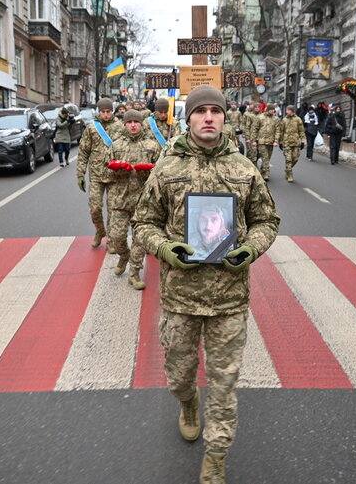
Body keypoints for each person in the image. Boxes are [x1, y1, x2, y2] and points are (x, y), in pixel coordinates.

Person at [132, 84, 279, 484]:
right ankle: (188, 404)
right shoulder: (168, 167)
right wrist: (164, 249)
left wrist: (250, 249)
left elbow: (268, 221)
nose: (209, 117)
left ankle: (216, 456)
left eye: (216, 110)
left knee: (225, 383)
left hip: (229, 300)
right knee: (179, 376)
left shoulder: (244, 168)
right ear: (189, 117)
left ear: (225, 117)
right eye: (201, 111)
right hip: (181, 296)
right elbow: (143, 222)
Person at [106, 109, 162, 289]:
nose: (132, 125)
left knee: (140, 240)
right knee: (116, 237)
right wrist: (116, 169)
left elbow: (162, 172)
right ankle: (124, 256)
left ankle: (134, 273)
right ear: (124, 125)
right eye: (129, 122)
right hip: (120, 200)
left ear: (141, 124)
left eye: (135, 122)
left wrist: (150, 171)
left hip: (143, 201)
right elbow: (105, 171)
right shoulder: (116, 146)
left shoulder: (152, 145)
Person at [77, 97, 125, 249]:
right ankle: (100, 231)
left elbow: (126, 149)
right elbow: (84, 151)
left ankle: (111, 240)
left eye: (108, 111)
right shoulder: (92, 128)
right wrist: (80, 174)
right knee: (95, 208)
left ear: (112, 111)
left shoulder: (120, 127)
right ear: (99, 112)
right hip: (97, 176)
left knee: (113, 211)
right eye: (103, 112)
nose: (106, 115)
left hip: (114, 176)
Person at [251, 103, 280, 180]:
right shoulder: (260, 117)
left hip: (271, 142)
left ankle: (263, 171)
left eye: (273, 110)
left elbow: (277, 130)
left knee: (267, 158)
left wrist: (276, 141)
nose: (272, 111)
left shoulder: (275, 119)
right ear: (268, 109)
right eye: (271, 109)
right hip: (261, 141)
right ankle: (266, 174)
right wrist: (253, 140)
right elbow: (255, 129)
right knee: (265, 157)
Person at [279, 105, 304, 182]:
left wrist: (303, 141)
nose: (287, 112)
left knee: (295, 158)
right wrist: (280, 141)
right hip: (287, 142)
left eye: (288, 110)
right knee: (288, 159)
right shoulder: (284, 120)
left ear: (292, 111)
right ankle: (290, 175)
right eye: (287, 110)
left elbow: (301, 131)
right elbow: (281, 131)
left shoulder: (298, 119)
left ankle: (287, 169)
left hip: (296, 142)